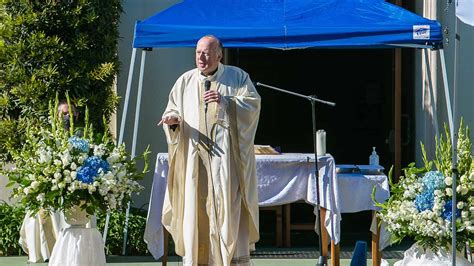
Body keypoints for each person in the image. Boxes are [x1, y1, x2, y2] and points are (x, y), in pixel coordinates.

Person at [158, 35, 261, 266]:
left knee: (228, 209)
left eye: (206, 53)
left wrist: (227, 101)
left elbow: (253, 105)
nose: (201, 58)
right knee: (195, 210)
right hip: (195, 160)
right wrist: (172, 122)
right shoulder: (184, 81)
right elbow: (171, 110)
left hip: (225, 162)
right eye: (197, 53)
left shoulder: (237, 77)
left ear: (219, 54)